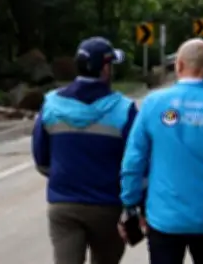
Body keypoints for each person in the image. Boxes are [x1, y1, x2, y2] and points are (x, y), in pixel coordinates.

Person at [120, 38, 203, 264]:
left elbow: (134, 160)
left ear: (178, 65)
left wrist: (130, 204)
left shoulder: (153, 104)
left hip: (163, 217)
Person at [31, 36, 138, 264]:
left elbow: (41, 158)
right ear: (106, 69)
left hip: (64, 205)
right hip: (108, 207)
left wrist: (66, 175)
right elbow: (135, 163)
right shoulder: (125, 109)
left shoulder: (50, 104)